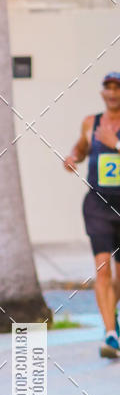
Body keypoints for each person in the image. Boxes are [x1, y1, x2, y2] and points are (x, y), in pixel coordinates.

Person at [64, 72, 120, 358]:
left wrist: (116, 144)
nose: (112, 93)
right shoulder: (91, 122)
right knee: (102, 268)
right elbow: (82, 147)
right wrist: (73, 156)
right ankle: (110, 333)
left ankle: (114, 319)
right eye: (108, 88)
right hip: (97, 204)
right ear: (102, 93)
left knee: (119, 276)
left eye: (117, 88)